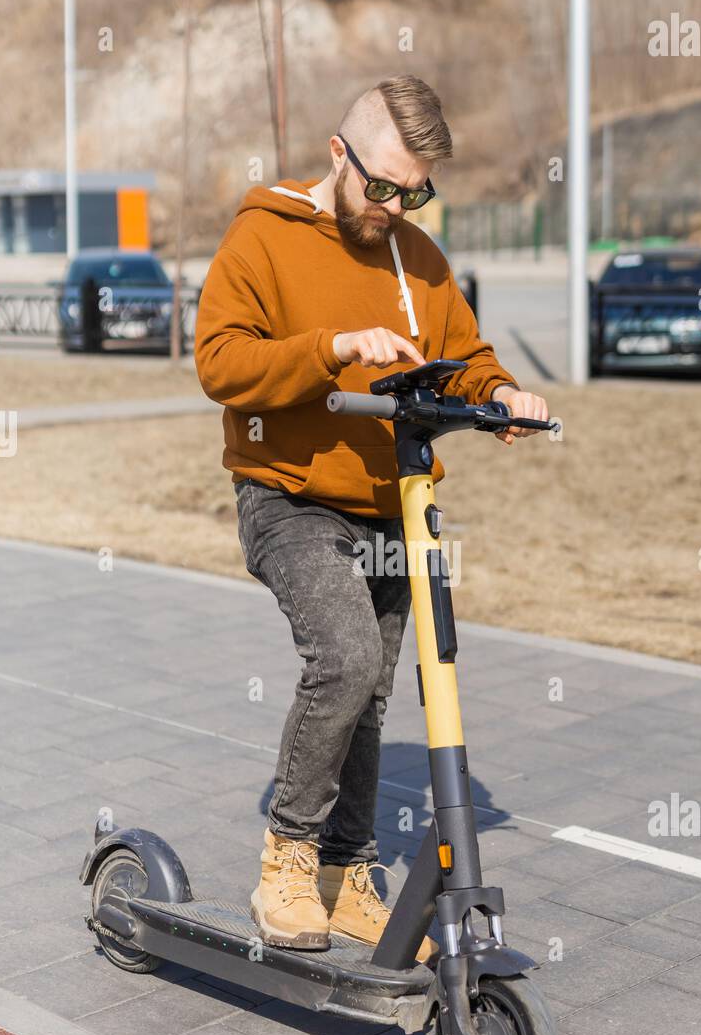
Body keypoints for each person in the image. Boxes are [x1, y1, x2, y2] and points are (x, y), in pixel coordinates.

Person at [195, 74, 548, 961]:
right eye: (381, 185)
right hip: (288, 496)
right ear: (336, 154)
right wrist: (334, 349)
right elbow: (220, 361)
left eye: (413, 191)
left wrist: (501, 393)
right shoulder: (264, 236)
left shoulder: (416, 257)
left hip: (394, 503)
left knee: (376, 689)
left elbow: (463, 355)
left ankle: (345, 872)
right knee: (345, 658)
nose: (393, 205)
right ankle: (287, 857)